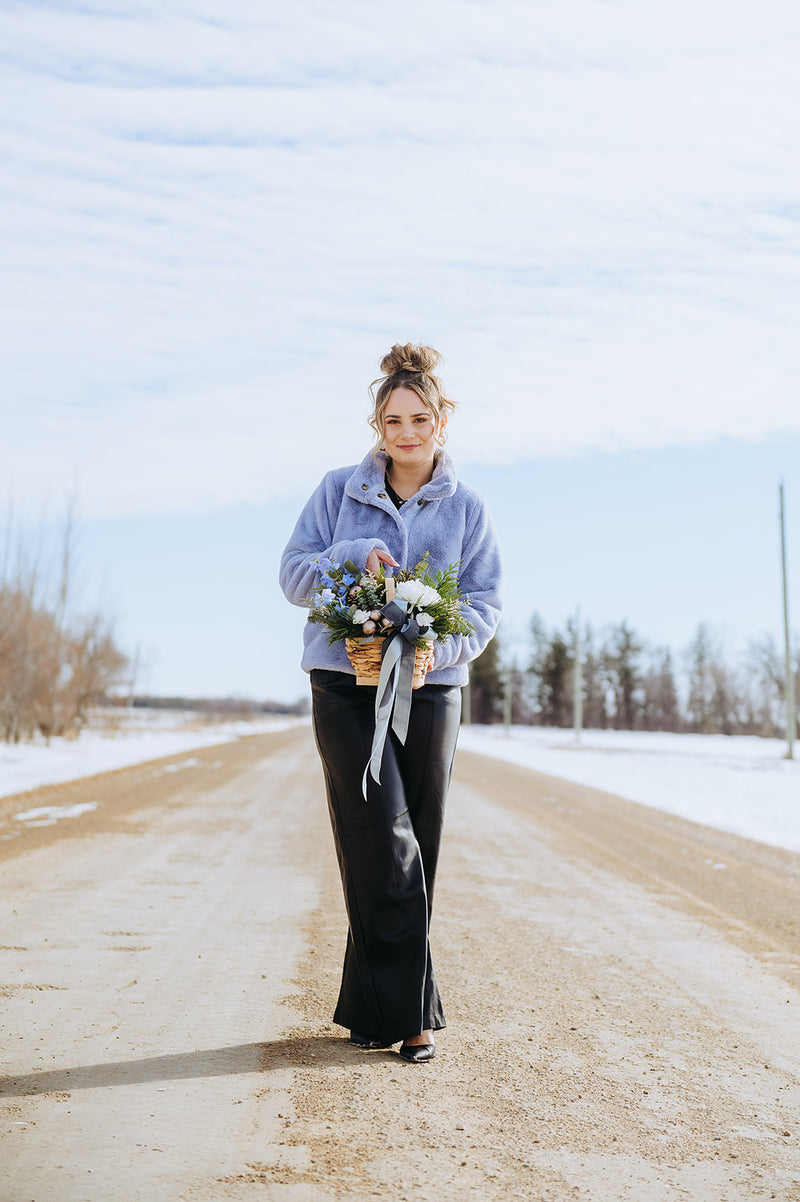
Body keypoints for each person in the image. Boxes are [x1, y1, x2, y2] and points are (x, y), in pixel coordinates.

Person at [279, 343, 502, 1063]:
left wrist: (445, 648)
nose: (406, 432)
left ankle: (371, 1010)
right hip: (344, 685)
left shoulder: (468, 508)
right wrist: (353, 555)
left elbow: (483, 604)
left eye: (419, 418)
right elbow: (292, 576)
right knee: (379, 838)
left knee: (417, 847)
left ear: (443, 421)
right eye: (392, 420)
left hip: (429, 693)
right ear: (378, 425)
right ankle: (415, 1018)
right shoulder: (337, 489)